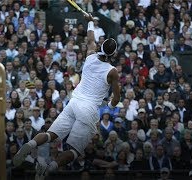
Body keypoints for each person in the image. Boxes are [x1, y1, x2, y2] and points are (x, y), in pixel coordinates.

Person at [12, 13, 120, 178]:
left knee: (51, 135)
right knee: (74, 151)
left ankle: (29, 144)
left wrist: (90, 22)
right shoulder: (112, 71)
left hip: (74, 102)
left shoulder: (90, 55)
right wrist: (110, 106)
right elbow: (116, 98)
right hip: (88, 110)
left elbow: (90, 39)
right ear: (113, 54)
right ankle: (47, 169)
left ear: (101, 46)